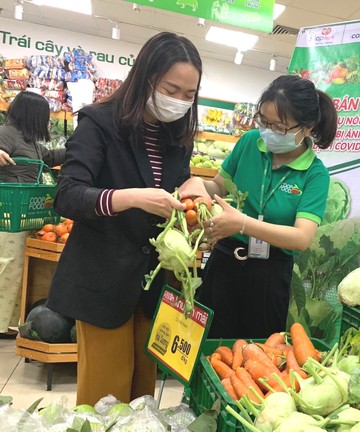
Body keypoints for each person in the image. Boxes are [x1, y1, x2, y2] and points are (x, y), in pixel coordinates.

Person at [46, 32, 202, 406]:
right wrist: (129, 198)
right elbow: (67, 195)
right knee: (105, 397)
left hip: (150, 285)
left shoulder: (176, 135)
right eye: (172, 88)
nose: (179, 101)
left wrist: (192, 190)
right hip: (102, 281)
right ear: (146, 77)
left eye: (189, 94)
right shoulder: (99, 123)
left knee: (141, 398)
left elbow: (174, 186)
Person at [179, 75, 337, 339]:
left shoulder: (315, 174)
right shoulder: (250, 142)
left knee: (257, 355)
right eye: (264, 121)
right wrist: (196, 184)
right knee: (208, 346)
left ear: (307, 128)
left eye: (281, 127)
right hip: (225, 262)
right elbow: (220, 186)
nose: (269, 131)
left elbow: (301, 238)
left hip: (270, 274)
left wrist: (242, 224)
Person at [0, 90, 65, 339]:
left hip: (24, 216)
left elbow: (48, 157)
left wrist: (77, 148)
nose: (47, 123)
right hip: (8, 216)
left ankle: (10, 322)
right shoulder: (6, 134)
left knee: (17, 269)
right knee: (8, 268)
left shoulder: (28, 141)